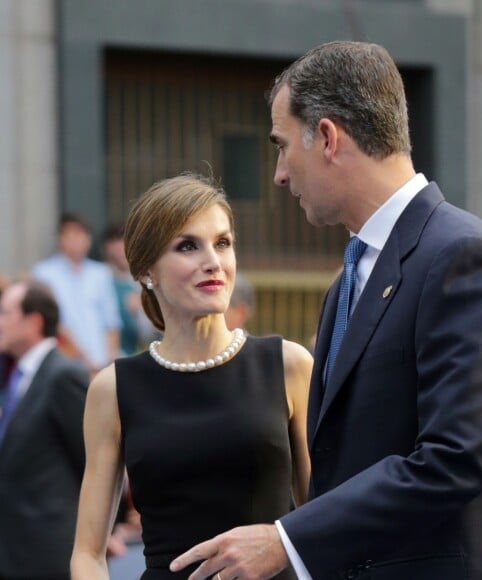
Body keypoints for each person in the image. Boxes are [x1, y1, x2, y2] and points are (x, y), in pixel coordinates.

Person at [171, 41, 482, 580]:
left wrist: (287, 540)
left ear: (327, 137)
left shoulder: (462, 255)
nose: (279, 174)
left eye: (281, 146)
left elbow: (453, 460)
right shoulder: (346, 283)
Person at [70, 173, 312, 579]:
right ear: (147, 271)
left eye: (223, 243)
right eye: (187, 246)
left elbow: (319, 524)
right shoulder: (113, 389)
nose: (213, 262)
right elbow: (87, 553)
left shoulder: (288, 365)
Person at [0, 278, 89, 580]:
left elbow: (92, 460)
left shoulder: (63, 375)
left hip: (48, 553)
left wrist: (102, 532)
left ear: (33, 322)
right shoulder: (17, 375)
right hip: (15, 551)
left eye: (4, 313)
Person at [32, 213, 122, 375]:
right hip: (66, 362)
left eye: (81, 233)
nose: (76, 240)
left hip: (102, 363)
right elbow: (55, 321)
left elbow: (111, 321)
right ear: (60, 238)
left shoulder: (101, 273)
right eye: (70, 234)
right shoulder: (44, 273)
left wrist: (110, 361)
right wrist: (83, 358)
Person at [101, 223, 158, 356]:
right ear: (107, 248)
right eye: (117, 242)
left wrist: (141, 309)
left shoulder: (145, 281)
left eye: (127, 243)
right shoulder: (100, 279)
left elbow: (151, 331)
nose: (122, 249)